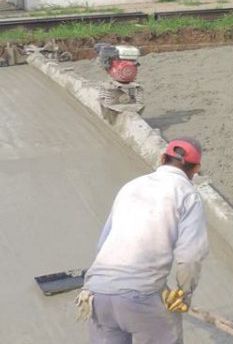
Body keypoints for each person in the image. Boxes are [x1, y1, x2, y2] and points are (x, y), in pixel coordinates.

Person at [78, 138, 209, 344]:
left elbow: (103, 244)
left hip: (97, 292)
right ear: (196, 169)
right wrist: (183, 294)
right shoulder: (187, 194)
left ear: (162, 158)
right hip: (141, 294)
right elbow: (192, 255)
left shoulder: (131, 187)